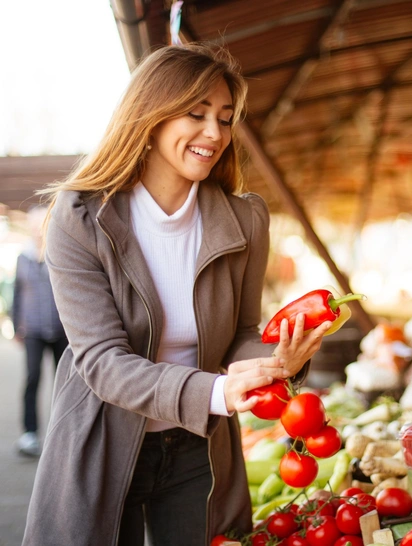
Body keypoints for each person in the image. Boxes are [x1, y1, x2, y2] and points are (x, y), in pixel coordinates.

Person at [23, 44, 331, 546]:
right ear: (151, 115)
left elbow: (242, 336)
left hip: (200, 448)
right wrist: (215, 392)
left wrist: (280, 358)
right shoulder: (81, 218)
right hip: (103, 441)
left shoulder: (245, 220)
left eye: (226, 118)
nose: (215, 133)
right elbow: (101, 360)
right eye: (197, 113)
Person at [11, 206, 68, 457]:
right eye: (33, 224)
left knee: (64, 382)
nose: (37, 229)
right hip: (32, 329)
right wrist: (16, 327)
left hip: (61, 328)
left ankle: (64, 432)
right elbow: (17, 293)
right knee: (33, 378)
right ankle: (30, 433)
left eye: (40, 224)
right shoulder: (22, 257)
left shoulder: (60, 251)